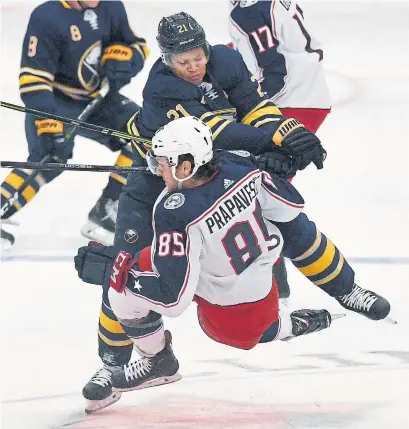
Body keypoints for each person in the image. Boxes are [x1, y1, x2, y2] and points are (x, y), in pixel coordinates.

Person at [75, 116, 391, 413]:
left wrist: (116, 272)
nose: (158, 171)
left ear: (186, 166)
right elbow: (288, 208)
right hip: (262, 287)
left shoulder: (174, 210)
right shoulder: (238, 168)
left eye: (163, 164)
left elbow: (172, 300)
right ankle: (298, 319)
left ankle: (158, 361)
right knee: (152, 262)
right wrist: (256, 170)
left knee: (120, 289)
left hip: (227, 316)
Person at [85, 11, 328, 398]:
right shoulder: (161, 87)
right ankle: (115, 364)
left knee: (231, 267)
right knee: (122, 265)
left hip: (203, 179)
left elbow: (253, 105)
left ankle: (279, 311)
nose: (194, 66)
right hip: (153, 183)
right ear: (167, 59)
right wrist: (269, 147)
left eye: (198, 56)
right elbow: (215, 133)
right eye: (183, 61)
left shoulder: (225, 60)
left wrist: (287, 132)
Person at [0, 0, 149, 250]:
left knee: (144, 134)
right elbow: (33, 79)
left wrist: (125, 60)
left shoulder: (111, 6)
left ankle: (107, 210)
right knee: (50, 159)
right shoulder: (47, 16)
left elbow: (136, 45)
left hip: (96, 98)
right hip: (54, 101)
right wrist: (48, 122)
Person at [228, 0, 332, 300]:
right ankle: (274, 285)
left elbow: (274, 71)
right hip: (308, 96)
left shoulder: (247, 11)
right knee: (260, 186)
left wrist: (245, 102)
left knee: (253, 187)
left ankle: (273, 288)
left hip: (291, 104)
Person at [228, 0, 331, 134]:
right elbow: (256, 42)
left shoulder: (249, 10)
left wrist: (247, 104)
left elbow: (275, 72)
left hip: (288, 103)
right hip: (309, 92)